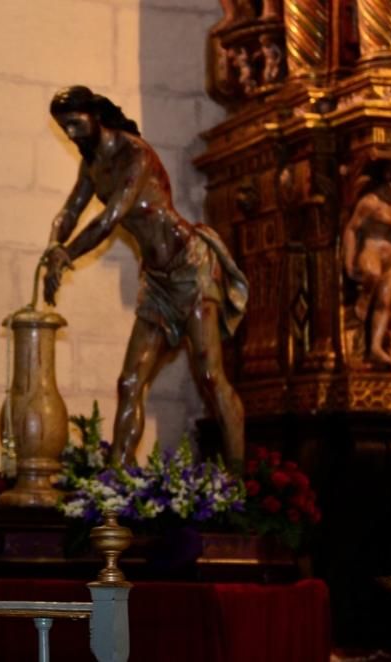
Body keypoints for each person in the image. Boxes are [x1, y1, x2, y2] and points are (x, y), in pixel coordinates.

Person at [42, 86, 249, 468]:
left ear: (94, 114)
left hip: (190, 266)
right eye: (63, 127)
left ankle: (239, 483)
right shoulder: (91, 165)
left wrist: (67, 256)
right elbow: (69, 212)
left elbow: (110, 218)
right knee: (130, 382)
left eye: (74, 123)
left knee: (209, 375)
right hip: (156, 282)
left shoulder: (134, 152)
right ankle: (117, 484)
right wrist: (54, 246)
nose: (70, 134)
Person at [342, 162, 391, 366]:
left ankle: (376, 347)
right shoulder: (370, 202)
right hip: (372, 251)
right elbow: (351, 230)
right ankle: (362, 303)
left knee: (385, 302)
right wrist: (348, 261)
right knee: (372, 274)